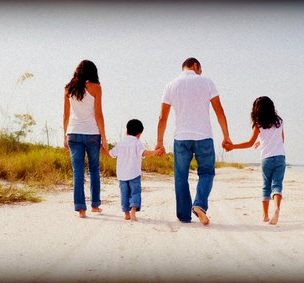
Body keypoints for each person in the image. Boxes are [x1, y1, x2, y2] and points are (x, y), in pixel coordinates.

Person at [155, 57, 232, 226]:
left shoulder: (170, 85)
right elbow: (219, 111)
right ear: (195, 66)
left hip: (181, 138)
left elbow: (162, 117)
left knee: (181, 176)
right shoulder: (207, 82)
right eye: (200, 70)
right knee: (206, 173)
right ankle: (199, 204)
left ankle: (184, 215)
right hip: (204, 136)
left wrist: (160, 141)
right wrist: (226, 136)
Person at [223, 96, 286, 225]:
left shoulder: (258, 125)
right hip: (280, 157)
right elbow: (281, 139)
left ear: (256, 111)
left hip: (266, 159)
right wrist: (262, 142)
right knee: (277, 185)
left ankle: (265, 215)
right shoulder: (279, 122)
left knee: (266, 186)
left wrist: (233, 146)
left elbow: (249, 143)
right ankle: (277, 209)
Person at [63, 60, 108, 218]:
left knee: (78, 172)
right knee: (94, 170)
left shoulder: (69, 88)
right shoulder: (96, 88)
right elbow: (99, 114)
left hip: (73, 134)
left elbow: (66, 115)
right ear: (93, 72)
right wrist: (104, 138)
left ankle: (81, 209)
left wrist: (64, 135)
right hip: (92, 134)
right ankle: (95, 206)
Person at [106, 119, 158, 221]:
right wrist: (155, 152)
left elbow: (111, 154)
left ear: (126, 131)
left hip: (122, 175)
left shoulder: (121, 143)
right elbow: (143, 153)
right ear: (139, 134)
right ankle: (133, 211)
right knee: (135, 193)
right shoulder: (137, 143)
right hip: (134, 174)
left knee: (124, 194)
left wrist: (103, 147)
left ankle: (126, 214)